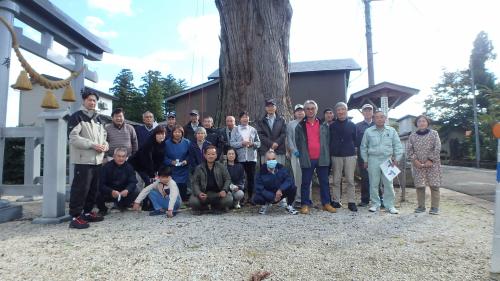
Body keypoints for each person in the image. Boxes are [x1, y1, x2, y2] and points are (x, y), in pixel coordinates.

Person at [67, 91, 108, 229]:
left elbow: (104, 137)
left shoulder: (98, 119)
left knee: (93, 189)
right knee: (80, 189)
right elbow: (73, 138)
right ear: (84, 100)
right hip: (83, 160)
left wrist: (105, 146)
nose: (92, 103)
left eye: (94, 101)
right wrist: (92, 144)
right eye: (90, 100)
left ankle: (87, 212)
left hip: (97, 160)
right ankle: (75, 217)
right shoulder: (76, 117)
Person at [295, 100, 336, 214]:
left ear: (316, 110)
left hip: (322, 158)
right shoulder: (300, 126)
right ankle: (305, 204)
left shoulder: (324, 125)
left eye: (312, 108)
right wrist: (302, 153)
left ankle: (326, 203)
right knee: (306, 182)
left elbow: (328, 141)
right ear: (305, 110)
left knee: (324, 182)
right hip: (307, 159)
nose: (310, 110)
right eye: (307, 108)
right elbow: (298, 142)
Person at [360, 110, 403, 214]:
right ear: (374, 119)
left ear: (385, 118)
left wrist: (397, 159)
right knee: (374, 183)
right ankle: (375, 204)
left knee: (388, 183)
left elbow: (398, 145)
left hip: (387, 160)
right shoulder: (368, 131)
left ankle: (390, 205)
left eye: (382, 117)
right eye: (377, 117)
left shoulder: (392, 131)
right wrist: (365, 160)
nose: (379, 119)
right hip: (373, 159)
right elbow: (363, 147)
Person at [406, 115, 442, 215]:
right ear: (416, 124)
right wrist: (415, 160)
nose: (421, 123)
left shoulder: (434, 134)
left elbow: (437, 147)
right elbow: (409, 150)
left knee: (434, 186)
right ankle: (421, 206)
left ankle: (435, 208)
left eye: (424, 121)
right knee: (420, 186)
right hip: (418, 165)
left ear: (427, 123)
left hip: (433, 164)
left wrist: (431, 160)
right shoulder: (412, 136)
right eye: (419, 121)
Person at [330, 102, 358, 212]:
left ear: (346, 111)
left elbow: (355, 140)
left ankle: (351, 202)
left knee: (350, 180)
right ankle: (336, 200)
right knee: (336, 179)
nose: (341, 112)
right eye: (339, 110)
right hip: (336, 155)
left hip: (350, 155)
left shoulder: (352, 125)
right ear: (336, 112)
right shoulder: (332, 126)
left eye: (343, 109)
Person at [189, 145, 233, 214]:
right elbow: (195, 183)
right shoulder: (199, 168)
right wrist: (199, 193)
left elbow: (228, 179)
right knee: (193, 201)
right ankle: (204, 207)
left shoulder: (221, 167)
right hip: (204, 194)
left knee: (229, 199)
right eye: (208, 154)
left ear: (216, 155)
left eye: (213, 154)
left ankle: (217, 207)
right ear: (205, 155)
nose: (211, 156)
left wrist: (224, 190)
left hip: (218, 194)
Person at [253, 150, 299, 215]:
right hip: (269, 195)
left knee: (293, 187)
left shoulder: (282, 168)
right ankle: (265, 204)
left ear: (276, 159)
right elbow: (259, 188)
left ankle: (289, 206)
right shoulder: (260, 172)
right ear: (265, 160)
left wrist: (280, 189)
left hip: (280, 193)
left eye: (273, 159)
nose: (271, 161)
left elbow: (289, 180)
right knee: (257, 198)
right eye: (269, 159)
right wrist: (272, 197)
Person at [230, 111, 261, 203]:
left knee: (251, 178)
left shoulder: (253, 129)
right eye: (243, 117)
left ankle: (251, 197)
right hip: (240, 158)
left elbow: (259, 143)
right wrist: (241, 143)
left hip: (251, 158)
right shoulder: (235, 130)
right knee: (240, 179)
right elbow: (232, 143)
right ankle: (241, 198)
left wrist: (253, 144)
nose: (245, 118)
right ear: (240, 119)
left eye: (247, 117)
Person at [97, 147, 139, 214]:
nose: (121, 158)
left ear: (126, 157)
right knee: (96, 191)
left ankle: (122, 206)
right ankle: (103, 209)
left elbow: (133, 181)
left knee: (136, 190)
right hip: (110, 191)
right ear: (114, 156)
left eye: (123, 156)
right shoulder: (106, 167)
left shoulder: (129, 167)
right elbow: (101, 184)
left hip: (123, 192)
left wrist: (127, 190)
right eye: (119, 156)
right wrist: (111, 191)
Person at [287, 104, 308, 208]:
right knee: (297, 177)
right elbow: (289, 138)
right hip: (296, 155)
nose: (300, 113)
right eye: (297, 111)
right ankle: (298, 198)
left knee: (307, 177)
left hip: (307, 155)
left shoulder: (308, 122)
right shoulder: (291, 124)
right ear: (294, 113)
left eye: (301, 111)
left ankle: (307, 199)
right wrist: (294, 150)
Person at [256, 98, 287, 165]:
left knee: (279, 171)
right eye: (268, 106)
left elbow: (283, 134)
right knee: (266, 172)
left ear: (275, 107)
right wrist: (271, 144)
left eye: (272, 106)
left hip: (279, 150)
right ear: (265, 108)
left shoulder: (281, 120)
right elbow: (260, 135)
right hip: (265, 150)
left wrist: (276, 143)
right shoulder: (261, 121)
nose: (270, 108)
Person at [164, 125, 191, 202]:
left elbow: (190, 155)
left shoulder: (187, 142)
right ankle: (173, 202)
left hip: (183, 169)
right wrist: (171, 162)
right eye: (175, 132)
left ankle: (183, 202)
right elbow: (163, 157)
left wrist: (186, 161)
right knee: (173, 187)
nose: (177, 134)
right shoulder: (166, 143)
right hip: (171, 170)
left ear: (182, 133)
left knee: (183, 187)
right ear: (172, 133)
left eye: (179, 132)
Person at [355, 104, 375, 207]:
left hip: (377, 155)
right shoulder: (357, 126)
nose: (367, 112)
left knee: (378, 177)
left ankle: (379, 198)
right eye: (365, 110)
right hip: (363, 155)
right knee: (365, 177)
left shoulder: (378, 124)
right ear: (362, 112)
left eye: (369, 110)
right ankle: (365, 199)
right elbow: (355, 141)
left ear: (372, 112)